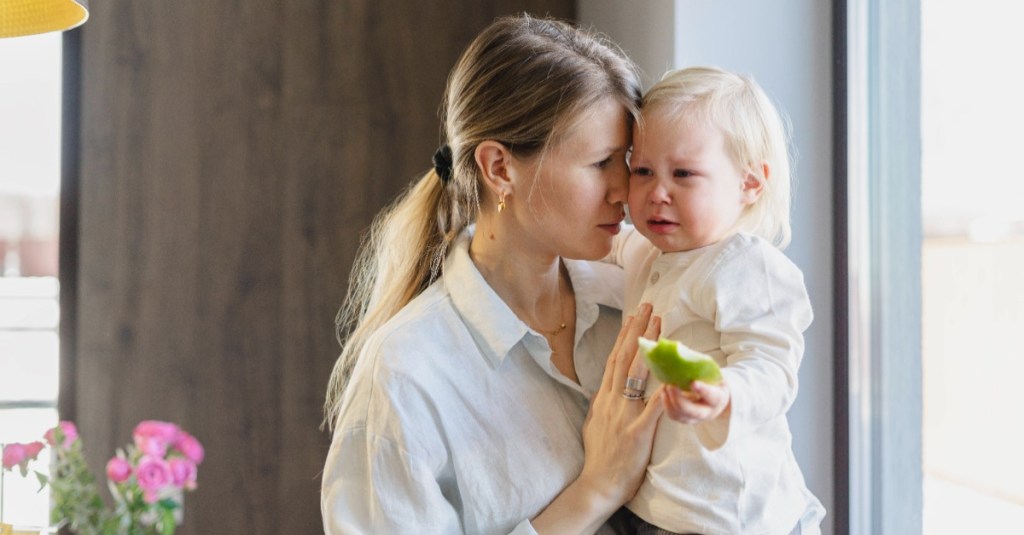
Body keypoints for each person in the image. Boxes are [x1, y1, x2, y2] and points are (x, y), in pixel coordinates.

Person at [321, 14, 667, 534]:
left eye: (628, 160)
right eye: (599, 164)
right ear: (500, 168)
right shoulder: (405, 379)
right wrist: (597, 488)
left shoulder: (642, 304)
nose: (624, 189)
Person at [607, 66, 826, 534]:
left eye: (683, 174)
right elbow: (598, 246)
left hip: (730, 516)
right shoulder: (646, 251)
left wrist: (725, 394)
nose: (656, 193)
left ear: (750, 184)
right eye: (642, 171)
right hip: (657, 505)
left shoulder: (747, 266)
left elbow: (772, 368)